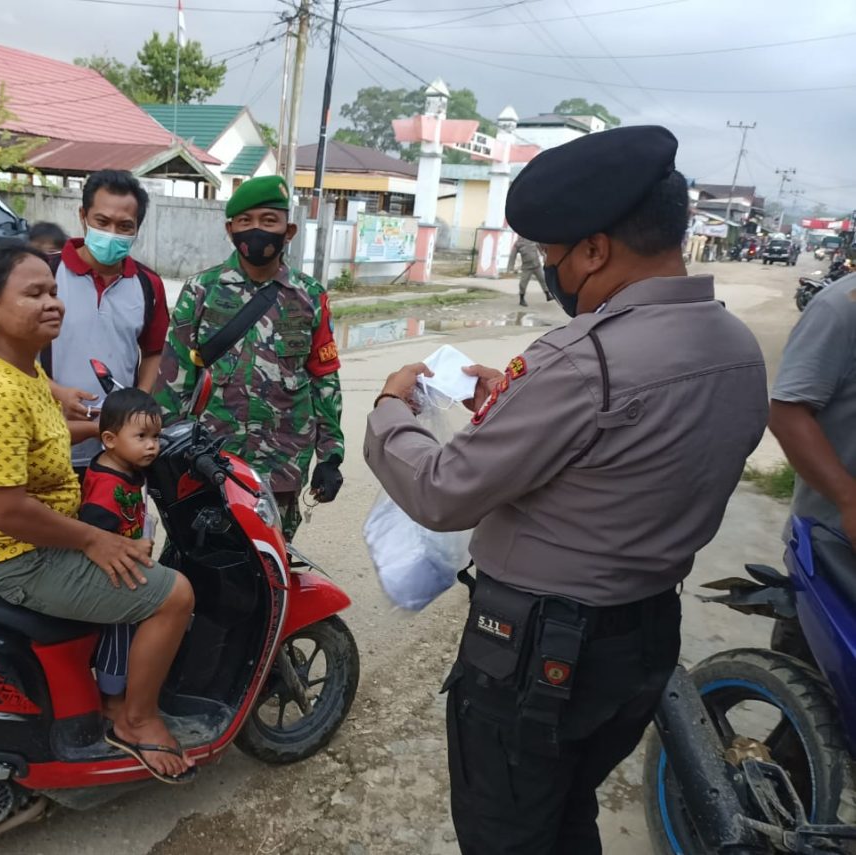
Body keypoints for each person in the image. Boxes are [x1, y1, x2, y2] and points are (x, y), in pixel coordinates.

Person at [363, 126, 769, 854]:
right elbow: (618, 463)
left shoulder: (586, 359)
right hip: (643, 638)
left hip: (541, 656)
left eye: (553, 256)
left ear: (595, 250)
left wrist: (392, 410)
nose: (553, 273)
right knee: (564, 812)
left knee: (507, 832)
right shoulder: (735, 349)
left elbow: (441, 492)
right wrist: (517, 409)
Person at [0, 243, 195, 784]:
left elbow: (46, 435)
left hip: (37, 538)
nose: (52, 302)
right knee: (175, 595)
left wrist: (120, 435)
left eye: (53, 291)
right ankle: (135, 719)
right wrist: (93, 542)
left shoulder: (23, 373)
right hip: (19, 555)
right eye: (34, 293)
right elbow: (3, 509)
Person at [153, 175, 344, 541]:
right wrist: (165, 452)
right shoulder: (202, 290)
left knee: (272, 558)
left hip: (282, 461)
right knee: (203, 555)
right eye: (246, 221)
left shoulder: (309, 296)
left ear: (288, 231)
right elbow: (173, 375)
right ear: (230, 230)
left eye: (268, 221)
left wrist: (331, 455)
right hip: (211, 458)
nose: (256, 230)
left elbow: (324, 379)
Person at [43, 170, 169, 468]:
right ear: (83, 216)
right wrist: (56, 392)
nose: (112, 232)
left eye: (125, 226)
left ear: (138, 228)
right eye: (102, 222)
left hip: (116, 451)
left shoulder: (148, 284)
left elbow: (154, 351)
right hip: (48, 435)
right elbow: (11, 353)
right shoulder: (45, 273)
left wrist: (135, 405)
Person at [767, 263, 856, 659]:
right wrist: (848, 499)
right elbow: (787, 412)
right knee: (820, 699)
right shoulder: (842, 308)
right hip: (837, 556)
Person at [79, 388, 162, 712]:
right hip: (111, 574)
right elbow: (96, 536)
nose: (152, 445)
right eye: (141, 436)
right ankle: (113, 698)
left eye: (156, 435)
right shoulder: (107, 488)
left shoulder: (121, 465)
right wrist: (130, 545)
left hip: (124, 560)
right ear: (110, 439)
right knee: (120, 629)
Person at [506, 235, 550, 306]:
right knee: (523, 284)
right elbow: (512, 255)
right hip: (527, 267)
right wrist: (510, 267)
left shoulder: (532, 239)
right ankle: (522, 299)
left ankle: (548, 295)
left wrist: (544, 255)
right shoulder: (518, 243)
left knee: (543, 279)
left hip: (537, 265)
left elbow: (539, 247)